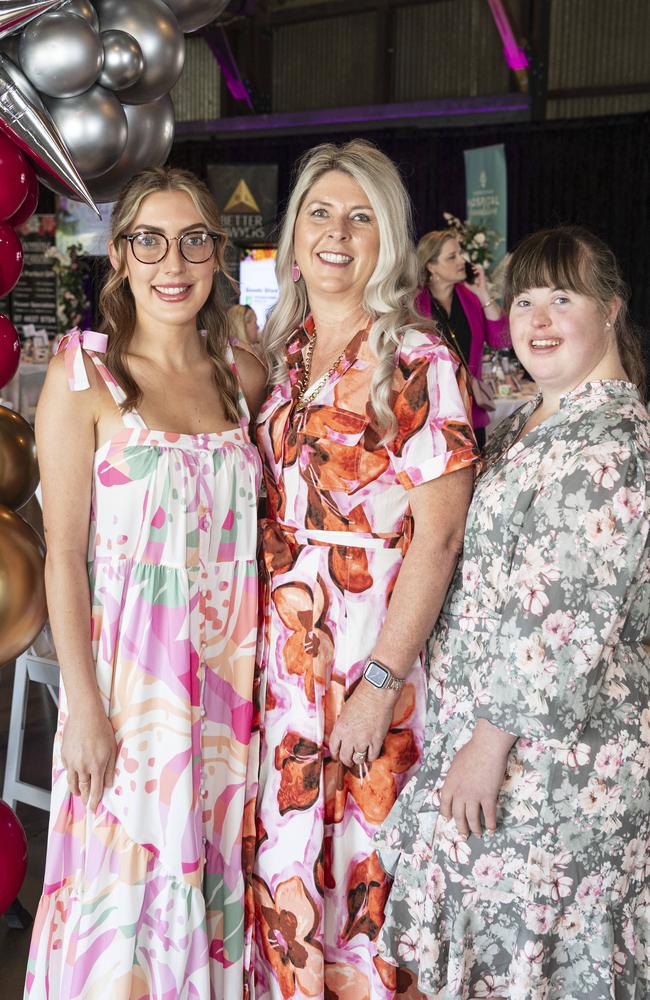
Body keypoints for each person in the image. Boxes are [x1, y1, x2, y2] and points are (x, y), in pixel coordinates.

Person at [376, 226, 650, 999]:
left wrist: (486, 747)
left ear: (611, 310)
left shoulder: (608, 446)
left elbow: (560, 625)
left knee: (535, 966)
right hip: (502, 745)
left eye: (563, 297)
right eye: (525, 298)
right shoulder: (536, 421)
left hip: (552, 765)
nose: (538, 317)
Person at [26, 168, 267, 999]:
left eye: (195, 238)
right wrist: (81, 706)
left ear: (218, 252)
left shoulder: (242, 375)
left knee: (211, 876)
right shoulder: (83, 376)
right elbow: (62, 554)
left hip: (231, 686)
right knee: (122, 895)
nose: (175, 262)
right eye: (151, 240)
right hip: (131, 692)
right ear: (121, 257)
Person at [251, 139, 480, 1000]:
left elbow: (441, 537)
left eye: (360, 218)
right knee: (285, 873)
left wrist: (381, 682)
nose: (337, 234)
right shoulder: (280, 353)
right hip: (279, 665)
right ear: (294, 233)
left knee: (367, 880)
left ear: (387, 237)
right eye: (320, 213)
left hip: (367, 654)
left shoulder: (417, 358)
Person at [415, 230, 511, 447]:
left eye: (460, 254)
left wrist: (484, 293)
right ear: (431, 266)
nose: (462, 261)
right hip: (430, 412)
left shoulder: (470, 297)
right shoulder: (413, 304)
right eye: (452, 257)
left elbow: (502, 340)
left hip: (470, 409)